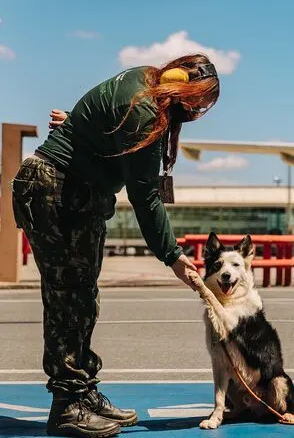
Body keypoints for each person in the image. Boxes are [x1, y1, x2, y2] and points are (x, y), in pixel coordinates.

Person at [11, 53, 219, 438]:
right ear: (180, 85)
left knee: (81, 300)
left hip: (70, 194)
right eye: (197, 102)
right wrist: (173, 256)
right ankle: (68, 406)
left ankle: (83, 394)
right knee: (68, 302)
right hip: (59, 193)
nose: (195, 111)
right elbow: (145, 197)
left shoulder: (142, 83)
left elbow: (95, 128)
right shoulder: (144, 112)